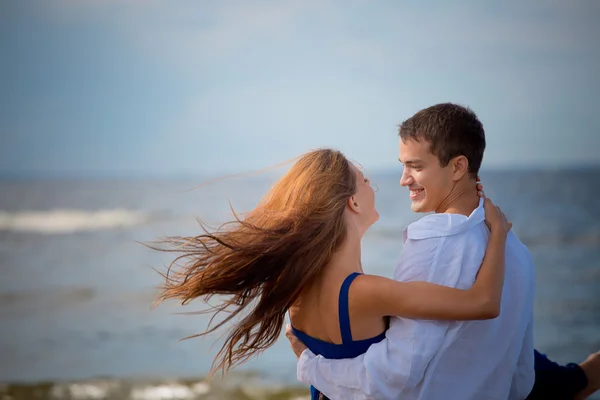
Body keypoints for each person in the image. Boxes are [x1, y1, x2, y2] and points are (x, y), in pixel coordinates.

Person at [286, 103, 600, 400]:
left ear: (457, 166)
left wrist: (310, 365)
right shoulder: (514, 250)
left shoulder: (434, 244)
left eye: (415, 166)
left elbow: (395, 374)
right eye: (403, 166)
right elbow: (520, 380)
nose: (403, 179)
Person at [150, 147, 511, 393]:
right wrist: (498, 235)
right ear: (353, 201)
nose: (377, 186)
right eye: (366, 181)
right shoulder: (369, 292)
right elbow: (483, 304)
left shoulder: (295, 290)